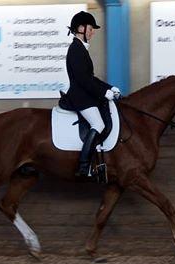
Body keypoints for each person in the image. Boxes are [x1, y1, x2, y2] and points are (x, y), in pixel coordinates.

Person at [63, 11, 121, 178]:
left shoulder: (81, 48)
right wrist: (104, 93)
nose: (93, 32)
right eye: (91, 28)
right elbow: (82, 80)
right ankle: (83, 166)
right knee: (99, 124)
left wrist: (111, 87)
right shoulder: (75, 49)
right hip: (80, 97)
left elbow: (91, 78)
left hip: (85, 94)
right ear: (81, 28)